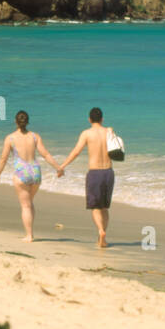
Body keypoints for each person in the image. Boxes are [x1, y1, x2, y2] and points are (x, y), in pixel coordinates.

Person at [0, 110, 62, 242]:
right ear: (27, 121)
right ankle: (30, 232)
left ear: (15, 122)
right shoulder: (35, 136)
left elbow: (4, 158)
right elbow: (45, 154)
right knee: (29, 203)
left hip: (21, 172)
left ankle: (29, 235)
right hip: (36, 172)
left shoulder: (10, 138)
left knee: (25, 206)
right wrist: (58, 167)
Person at [59, 106, 116, 248]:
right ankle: (102, 237)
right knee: (105, 207)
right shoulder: (109, 131)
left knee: (95, 208)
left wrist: (62, 166)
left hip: (95, 172)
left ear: (89, 119)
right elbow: (117, 149)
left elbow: (76, 152)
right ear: (102, 119)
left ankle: (101, 231)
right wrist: (111, 130)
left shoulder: (86, 134)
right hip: (109, 172)